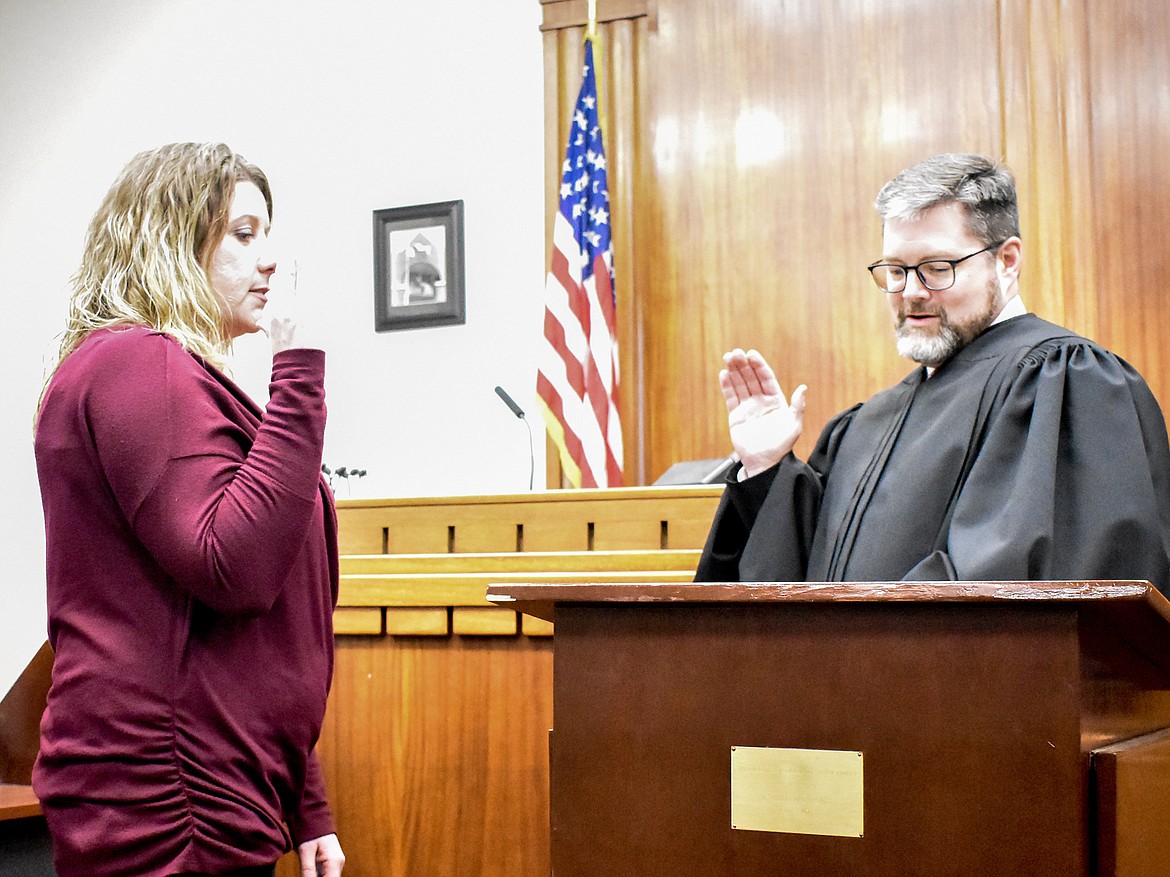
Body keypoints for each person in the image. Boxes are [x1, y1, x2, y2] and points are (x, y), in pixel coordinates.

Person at [33, 143, 346, 877]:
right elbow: (231, 566)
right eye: (243, 234)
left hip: (219, 781)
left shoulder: (161, 370)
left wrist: (306, 802)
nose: (270, 258)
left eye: (268, 232)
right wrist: (297, 368)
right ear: (170, 239)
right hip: (168, 798)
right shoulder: (137, 362)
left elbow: (249, 636)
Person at [695, 152, 1170, 590]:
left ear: (1006, 261)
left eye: (936, 267)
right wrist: (765, 469)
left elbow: (1033, 591)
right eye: (896, 270)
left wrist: (866, 656)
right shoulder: (866, 424)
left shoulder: (1066, 385)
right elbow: (800, 595)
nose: (911, 292)